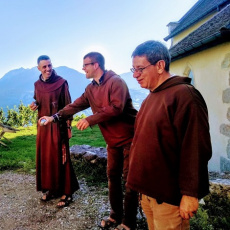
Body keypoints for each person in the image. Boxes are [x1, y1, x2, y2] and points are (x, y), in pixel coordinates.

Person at [40, 52, 138, 230]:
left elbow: (116, 108)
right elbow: (75, 105)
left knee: (130, 181)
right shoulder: (91, 89)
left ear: (96, 65)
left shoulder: (116, 81)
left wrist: (90, 119)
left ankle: (129, 223)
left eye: (85, 65)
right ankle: (115, 216)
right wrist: (54, 117)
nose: (82, 68)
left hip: (131, 139)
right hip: (112, 141)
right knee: (112, 177)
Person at [126, 40, 212, 230]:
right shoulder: (150, 97)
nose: (135, 75)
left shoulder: (185, 95)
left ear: (160, 65)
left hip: (169, 198)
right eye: (133, 69)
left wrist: (190, 194)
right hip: (149, 193)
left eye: (140, 69)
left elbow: (196, 147)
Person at [30, 55, 79, 208]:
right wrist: (35, 105)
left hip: (59, 126)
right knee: (47, 158)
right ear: (39, 68)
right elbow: (39, 100)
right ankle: (52, 189)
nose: (48, 69)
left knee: (61, 157)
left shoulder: (61, 83)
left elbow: (68, 107)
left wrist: (69, 126)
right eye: (44, 67)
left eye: (49, 65)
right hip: (44, 127)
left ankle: (67, 192)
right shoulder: (37, 84)